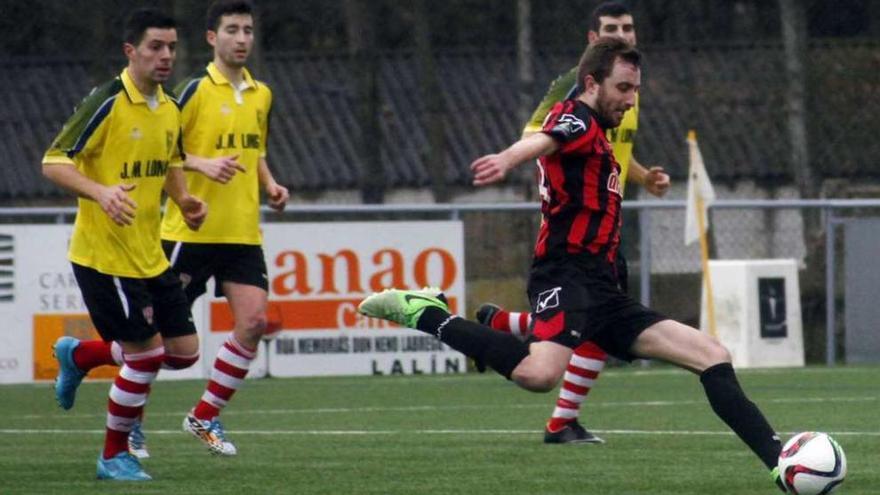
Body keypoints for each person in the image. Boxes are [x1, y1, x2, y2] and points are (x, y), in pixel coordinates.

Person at [358, 38, 786, 493]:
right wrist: (508, 157)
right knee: (539, 375)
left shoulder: (596, 129)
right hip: (566, 272)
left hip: (603, 287)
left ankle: (781, 464)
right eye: (623, 87)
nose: (630, 99)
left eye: (635, 89)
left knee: (712, 355)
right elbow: (546, 138)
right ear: (591, 82)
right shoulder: (576, 116)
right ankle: (428, 313)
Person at [475, 0, 670, 445]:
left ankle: (506, 325)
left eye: (628, 27)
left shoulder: (627, 86)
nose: (622, 35)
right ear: (591, 40)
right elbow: (540, 135)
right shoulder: (575, 86)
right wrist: (520, 162)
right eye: (611, 29)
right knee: (596, 322)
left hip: (607, 219)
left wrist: (644, 177)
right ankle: (562, 420)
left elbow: (612, 150)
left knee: (590, 319)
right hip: (579, 221)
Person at [44, 8, 207, 481]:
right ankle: (113, 455)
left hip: (148, 254)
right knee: (146, 355)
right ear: (130, 51)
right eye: (155, 47)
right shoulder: (106, 101)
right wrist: (99, 191)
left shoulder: (171, 106)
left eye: (172, 47)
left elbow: (170, 160)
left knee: (184, 352)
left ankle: (80, 355)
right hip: (104, 256)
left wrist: (184, 199)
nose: (166, 56)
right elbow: (52, 161)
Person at [158, 0, 288, 456]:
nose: (242, 39)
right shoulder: (193, 91)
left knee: (252, 321)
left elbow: (256, 152)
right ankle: (127, 423)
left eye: (248, 30)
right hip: (187, 233)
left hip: (241, 234)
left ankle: (205, 416)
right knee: (154, 341)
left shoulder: (262, 93)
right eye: (232, 30)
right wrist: (202, 164)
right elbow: (165, 149)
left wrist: (271, 185)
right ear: (212, 38)